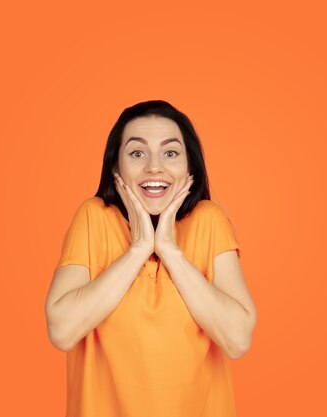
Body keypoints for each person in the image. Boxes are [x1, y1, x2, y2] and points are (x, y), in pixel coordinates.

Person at [45, 100, 257, 417]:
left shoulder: (209, 221)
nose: (154, 167)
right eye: (137, 153)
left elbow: (237, 339)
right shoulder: (93, 218)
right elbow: (62, 331)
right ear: (116, 167)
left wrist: (170, 251)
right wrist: (139, 249)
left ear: (190, 168)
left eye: (170, 153)